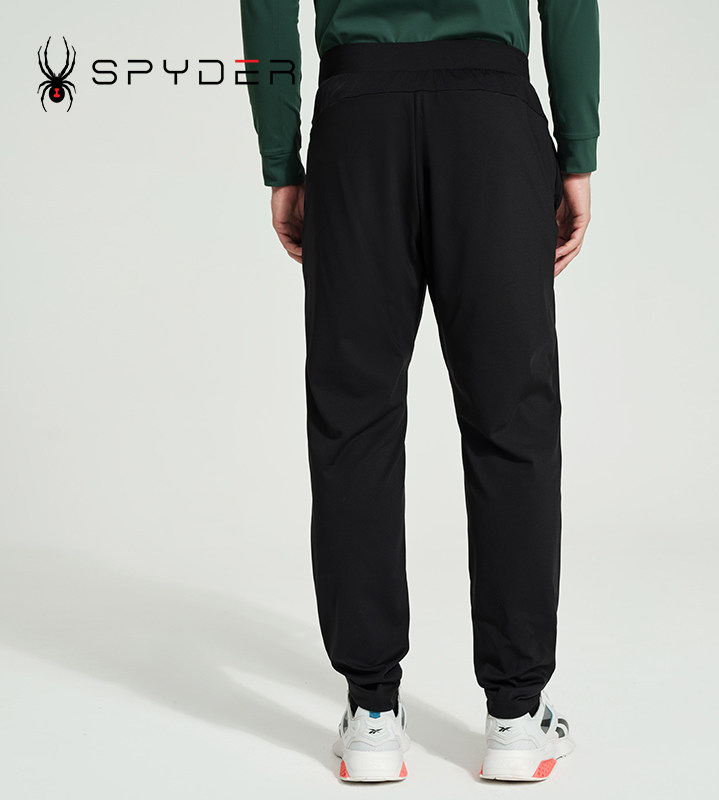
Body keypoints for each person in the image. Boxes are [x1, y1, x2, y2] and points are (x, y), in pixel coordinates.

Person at [239, 0, 599, 783]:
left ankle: (371, 714)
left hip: (356, 123)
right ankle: (515, 717)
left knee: (353, 420)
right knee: (512, 420)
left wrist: (281, 160)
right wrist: (577, 151)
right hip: (492, 122)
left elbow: (265, 7)